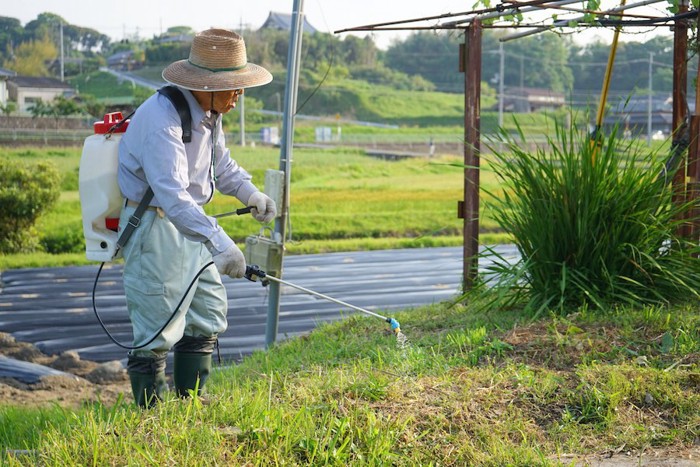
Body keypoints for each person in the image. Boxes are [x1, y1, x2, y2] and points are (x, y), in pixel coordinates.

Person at [117, 28, 276, 407]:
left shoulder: (209, 112)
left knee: (206, 311)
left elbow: (222, 164)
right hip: (155, 224)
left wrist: (250, 193)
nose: (238, 97)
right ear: (206, 83)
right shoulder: (161, 119)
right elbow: (173, 196)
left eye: (241, 89)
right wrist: (221, 243)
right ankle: (151, 420)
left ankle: (191, 406)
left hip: (192, 222)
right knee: (158, 322)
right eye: (233, 89)